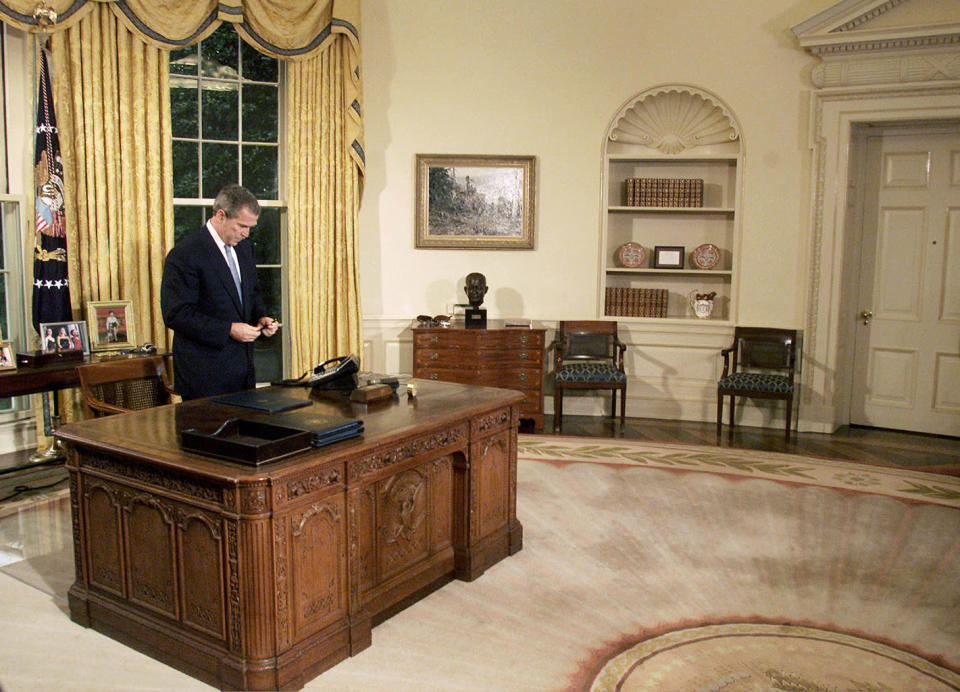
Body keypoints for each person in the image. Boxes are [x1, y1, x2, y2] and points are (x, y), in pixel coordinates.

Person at [161, 184, 279, 400]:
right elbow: (175, 313)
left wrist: (261, 317)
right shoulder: (185, 254)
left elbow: (251, 294)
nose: (247, 233)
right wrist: (228, 329)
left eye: (251, 227)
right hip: (203, 375)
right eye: (242, 225)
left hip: (242, 372)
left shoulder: (244, 249)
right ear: (220, 215)